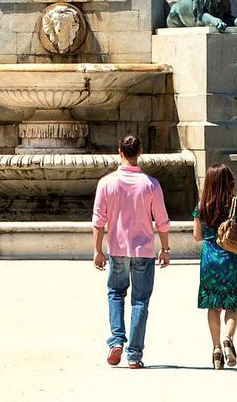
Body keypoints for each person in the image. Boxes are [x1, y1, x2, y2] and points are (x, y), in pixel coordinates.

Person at [92, 134, 171, 369]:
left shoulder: (106, 183)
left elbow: (98, 221)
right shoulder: (151, 184)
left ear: (119, 152)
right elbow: (163, 222)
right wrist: (165, 249)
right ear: (140, 152)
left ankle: (116, 340)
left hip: (116, 249)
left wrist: (97, 250)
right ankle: (134, 355)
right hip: (144, 251)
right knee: (140, 301)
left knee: (116, 294)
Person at [193, 162, 237, 370]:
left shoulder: (202, 206)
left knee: (213, 305)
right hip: (232, 258)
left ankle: (216, 349)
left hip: (210, 258)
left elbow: (197, 236)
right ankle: (228, 338)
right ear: (229, 181)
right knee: (232, 303)